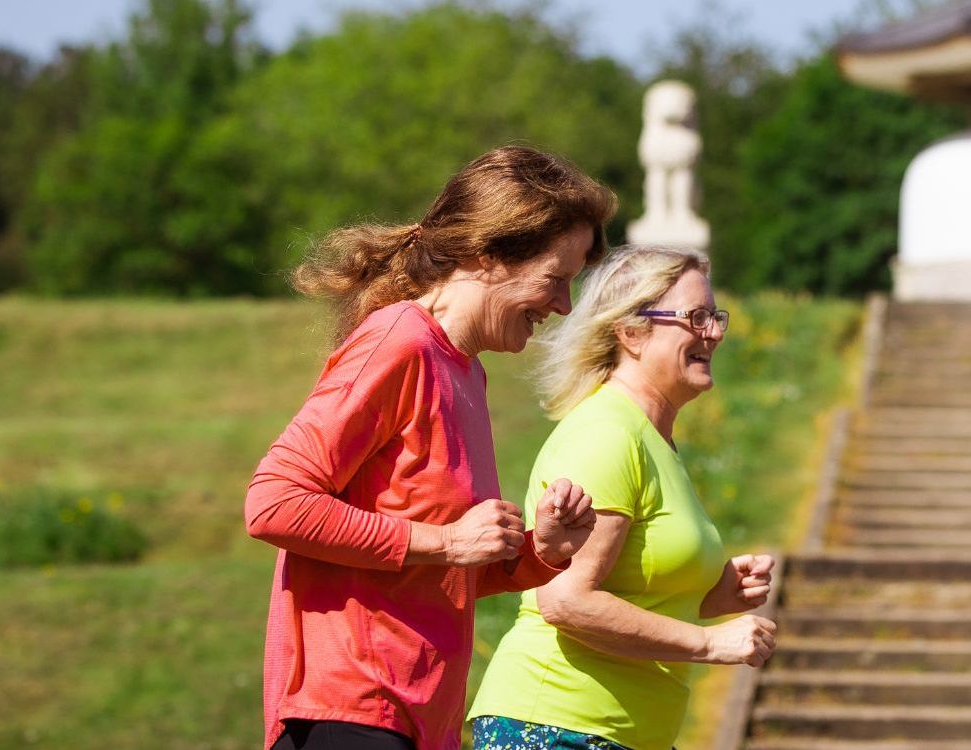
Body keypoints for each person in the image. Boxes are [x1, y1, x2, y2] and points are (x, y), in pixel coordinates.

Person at [244, 145, 616, 750]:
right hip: (354, 712)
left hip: (419, 719)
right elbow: (274, 502)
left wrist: (537, 554)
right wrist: (448, 540)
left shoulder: (466, 371)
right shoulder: (400, 343)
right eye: (556, 279)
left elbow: (441, 570)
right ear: (489, 255)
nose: (563, 305)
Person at [468, 245, 778, 750]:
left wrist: (710, 596)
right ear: (631, 332)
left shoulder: (653, 439)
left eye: (716, 317)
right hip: (559, 728)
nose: (714, 332)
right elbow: (566, 600)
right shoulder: (608, 435)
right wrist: (710, 642)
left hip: (620, 734)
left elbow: (632, 586)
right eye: (695, 318)